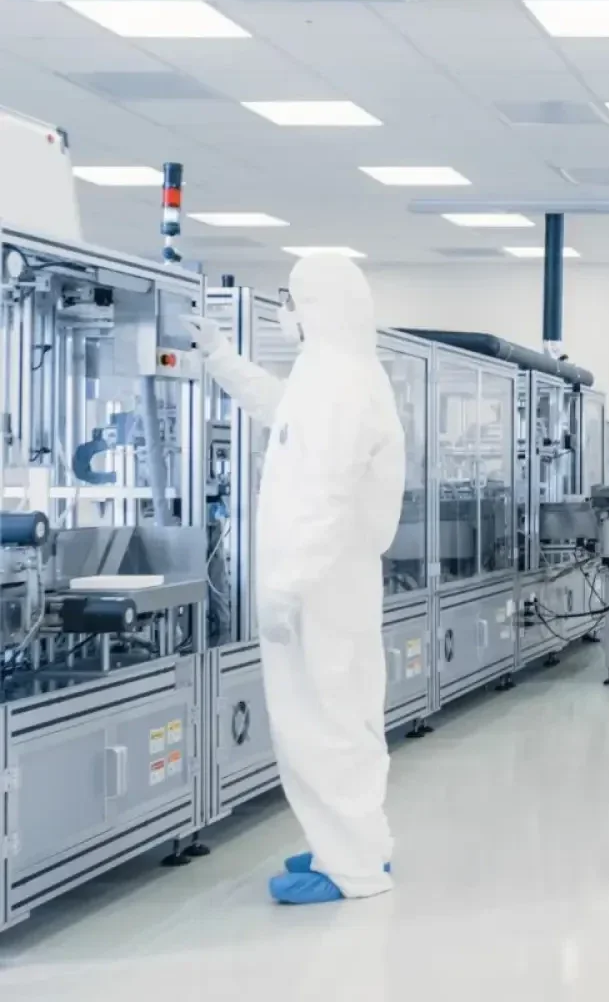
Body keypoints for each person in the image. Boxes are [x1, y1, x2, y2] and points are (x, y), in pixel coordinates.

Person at [186, 254, 405, 903]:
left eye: (291, 299)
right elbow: (279, 411)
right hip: (325, 583)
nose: (285, 313)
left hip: (319, 587)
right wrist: (222, 357)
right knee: (335, 719)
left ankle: (353, 870)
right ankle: (351, 846)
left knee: (324, 723)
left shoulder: (340, 383)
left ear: (319, 306)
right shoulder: (331, 376)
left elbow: (328, 494)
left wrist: (288, 583)